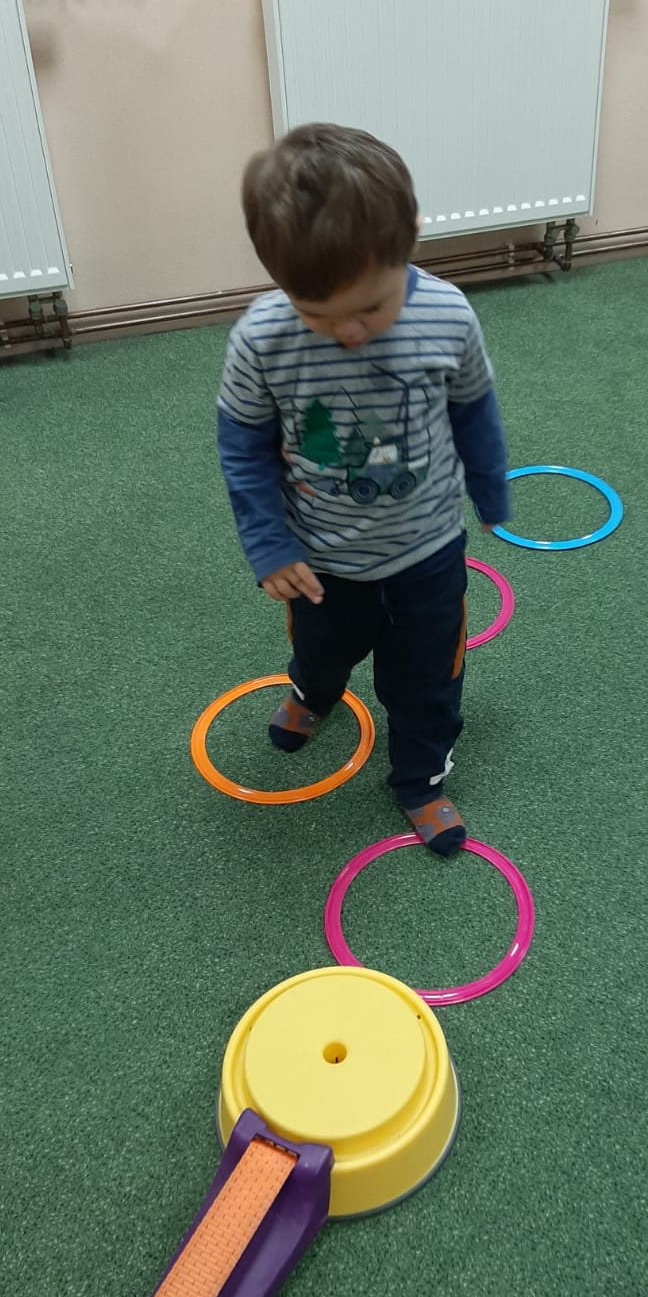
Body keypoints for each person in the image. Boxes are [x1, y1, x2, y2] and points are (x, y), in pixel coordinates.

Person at [216, 124, 510, 855]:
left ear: (409, 241)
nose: (347, 331)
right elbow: (243, 447)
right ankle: (313, 695)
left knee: (427, 681)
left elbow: (474, 407)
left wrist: (489, 484)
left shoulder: (448, 315)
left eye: (370, 309)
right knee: (322, 653)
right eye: (318, 315)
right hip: (319, 562)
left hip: (427, 553)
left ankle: (420, 779)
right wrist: (268, 543)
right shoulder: (261, 339)